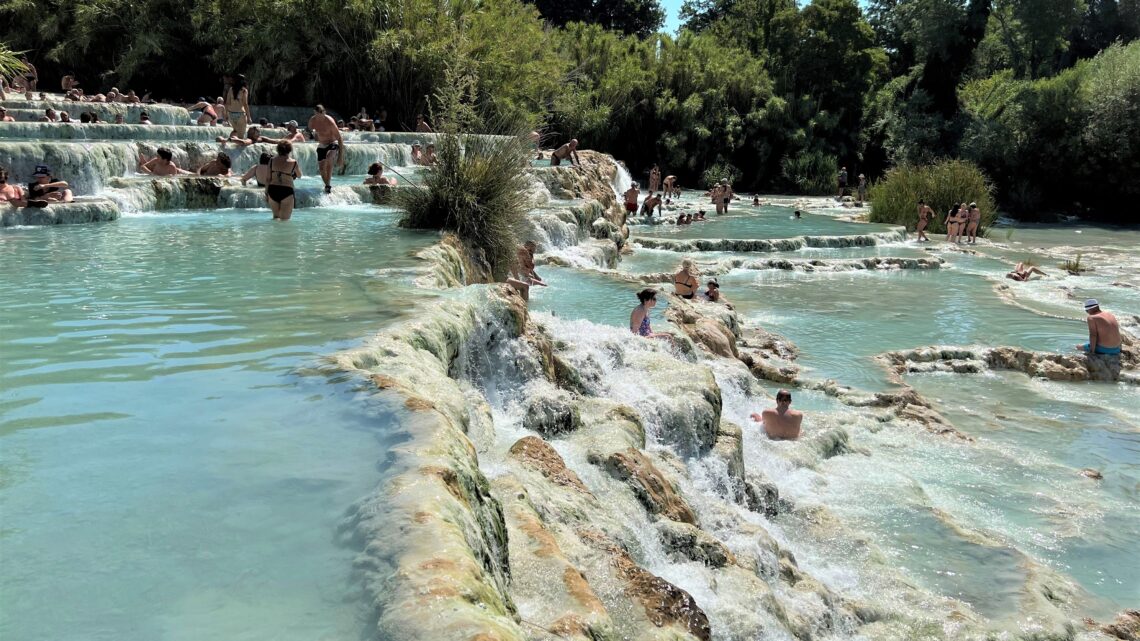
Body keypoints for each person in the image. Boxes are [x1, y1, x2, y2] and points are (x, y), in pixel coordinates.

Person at [308, 104, 345, 195]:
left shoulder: (330, 122)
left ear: (324, 112)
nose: (319, 115)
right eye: (317, 113)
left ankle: (328, 184)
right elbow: (309, 129)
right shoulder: (313, 120)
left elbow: (339, 138)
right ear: (315, 113)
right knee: (321, 168)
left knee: (329, 158)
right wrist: (313, 134)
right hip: (322, 144)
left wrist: (340, 157)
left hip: (333, 143)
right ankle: (327, 185)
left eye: (321, 113)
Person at [266, 140, 301, 221]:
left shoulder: (271, 160)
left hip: (273, 189)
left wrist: (266, 192)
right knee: (285, 220)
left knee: (275, 218)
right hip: (287, 190)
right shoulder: (293, 162)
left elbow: (268, 179)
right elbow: (299, 175)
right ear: (289, 150)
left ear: (278, 149)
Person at [223, 74, 251, 138]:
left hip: (231, 114)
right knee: (241, 136)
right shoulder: (244, 91)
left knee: (235, 131)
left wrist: (226, 115)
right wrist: (249, 117)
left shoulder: (231, 89)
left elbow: (227, 103)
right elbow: (245, 104)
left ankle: (229, 142)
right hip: (240, 114)